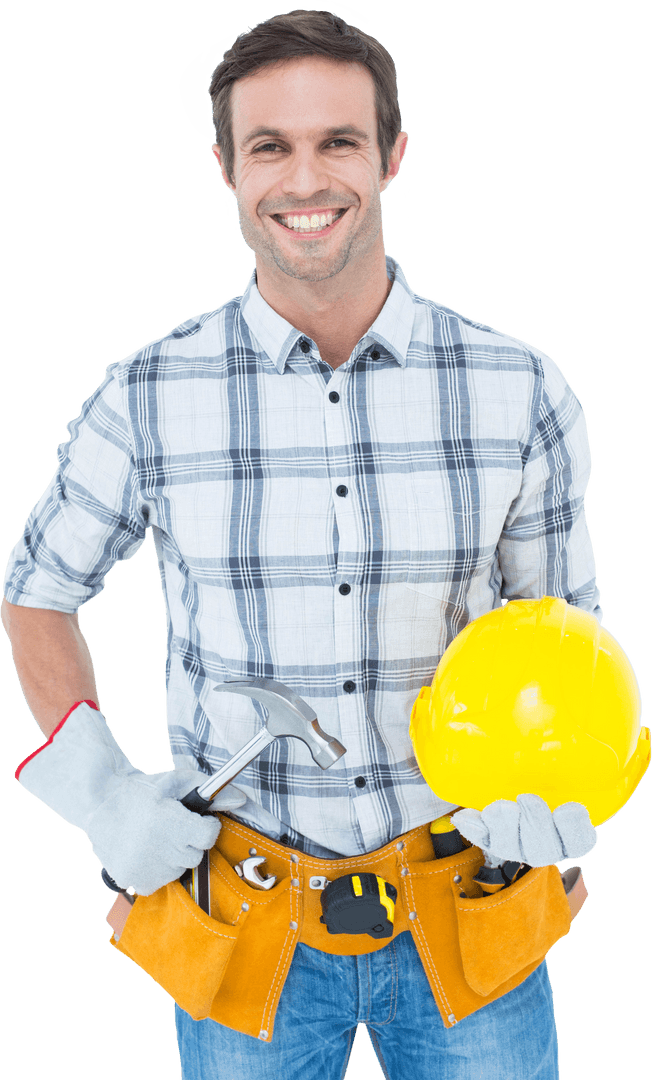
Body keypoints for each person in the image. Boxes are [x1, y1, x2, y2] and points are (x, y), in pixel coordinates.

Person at [2, 9, 601, 1079]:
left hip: (472, 904)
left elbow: (562, 640)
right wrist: (102, 796)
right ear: (226, 168)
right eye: (269, 146)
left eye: (339, 141)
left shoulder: (518, 390)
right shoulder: (146, 396)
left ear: (392, 155)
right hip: (245, 923)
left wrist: (566, 794)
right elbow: (36, 594)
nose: (305, 177)